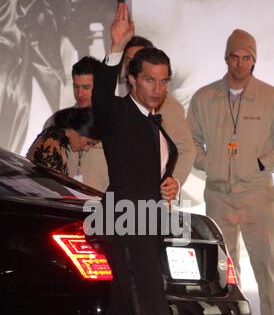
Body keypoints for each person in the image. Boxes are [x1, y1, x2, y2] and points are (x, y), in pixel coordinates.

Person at [82, 2, 236, 315]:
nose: (157, 88)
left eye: (164, 81)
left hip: (143, 223)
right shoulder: (118, 111)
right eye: (149, 79)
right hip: (126, 226)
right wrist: (114, 48)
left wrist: (168, 183)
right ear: (132, 79)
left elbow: (153, 166)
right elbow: (103, 102)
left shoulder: (156, 121)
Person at [187, 29, 274, 315]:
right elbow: (188, 140)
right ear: (226, 58)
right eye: (234, 57)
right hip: (219, 193)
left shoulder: (270, 96)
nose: (240, 63)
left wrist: (260, 165)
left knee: (268, 267)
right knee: (224, 269)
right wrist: (210, 163)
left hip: (257, 194)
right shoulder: (204, 97)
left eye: (246, 57)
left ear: (255, 59)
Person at [116, 35, 196, 197]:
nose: (133, 63)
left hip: (146, 203)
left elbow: (186, 148)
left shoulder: (164, 103)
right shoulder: (120, 99)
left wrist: (174, 182)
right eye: (128, 60)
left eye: (139, 58)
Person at [43, 56, 109, 191]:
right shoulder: (56, 122)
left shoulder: (115, 124)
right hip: (63, 204)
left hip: (103, 205)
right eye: (76, 87)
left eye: (86, 87)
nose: (80, 93)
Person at [27, 107, 99, 175]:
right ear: (81, 130)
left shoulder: (54, 137)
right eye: (89, 143)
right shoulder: (52, 144)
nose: (87, 149)